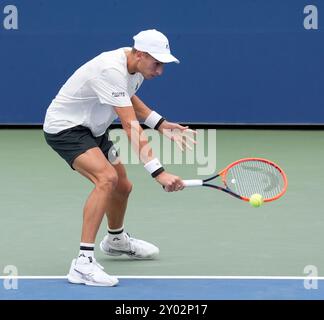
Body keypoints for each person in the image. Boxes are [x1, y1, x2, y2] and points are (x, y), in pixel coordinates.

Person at [43, 29, 195, 287]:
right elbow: (130, 125)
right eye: (156, 63)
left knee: (123, 186)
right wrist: (159, 172)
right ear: (139, 54)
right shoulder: (110, 69)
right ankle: (83, 263)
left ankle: (115, 240)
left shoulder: (134, 67)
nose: (160, 71)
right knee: (106, 179)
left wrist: (160, 123)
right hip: (66, 129)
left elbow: (129, 98)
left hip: (93, 130)